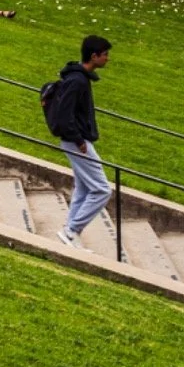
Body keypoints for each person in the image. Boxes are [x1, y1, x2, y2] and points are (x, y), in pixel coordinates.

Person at [46, 36, 115, 249]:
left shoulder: (79, 78)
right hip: (77, 141)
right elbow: (65, 114)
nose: (108, 59)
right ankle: (72, 230)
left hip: (77, 140)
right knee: (102, 190)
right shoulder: (77, 81)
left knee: (84, 188)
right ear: (94, 56)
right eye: (105, 55)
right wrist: (78, 139)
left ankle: (70, 232)